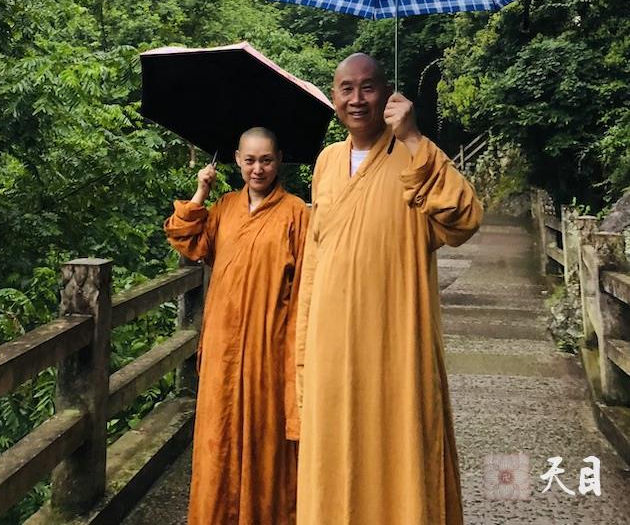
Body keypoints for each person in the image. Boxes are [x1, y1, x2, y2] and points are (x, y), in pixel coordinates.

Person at [295, 53, 483, 525]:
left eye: (369, 87)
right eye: (346, 89)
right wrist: (303, 349)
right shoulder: (326, 161)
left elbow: (464, 220)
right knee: (334, 455)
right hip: (332, 346)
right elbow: (315, 259)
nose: (357, 99)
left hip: (397, 341)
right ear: (334, 97)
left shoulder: (415, 153)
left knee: (401, 448)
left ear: (388, 93)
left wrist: (415, 139)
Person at [164, 127, 308, 525]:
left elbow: (306, 291)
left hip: (269, 349)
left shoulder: (296, 212)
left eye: (265, 160)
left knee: (266, 443)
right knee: (218, 440)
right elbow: (187, 242)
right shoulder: (224, 207)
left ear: (279, 160)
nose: (257, 168)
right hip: (223, 352)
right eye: (249, 160)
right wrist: (200, 193)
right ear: (236, 159)